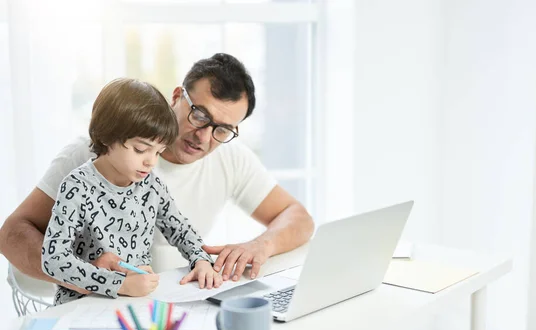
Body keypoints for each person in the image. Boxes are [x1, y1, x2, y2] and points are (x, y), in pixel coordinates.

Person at [0, 53, 314, 296]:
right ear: (177, 96)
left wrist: (258, 246)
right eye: (200, 115)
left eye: (222, 129)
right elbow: (12, 234)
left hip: (163, 300)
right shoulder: (92, 156)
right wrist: (99, 280)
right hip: (83, 300)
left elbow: (298, 218)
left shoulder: (226, 159)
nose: (204, 137)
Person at [43, 78, 221, 305]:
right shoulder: (77, 186)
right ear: (107, 136)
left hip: (135, 303)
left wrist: (201, 260)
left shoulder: (151, 186)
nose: (151, 162)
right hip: (83, 307)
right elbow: (53, 259)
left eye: (158, 152)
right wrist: (119, 284)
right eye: (141, 149)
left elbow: (180, 229)